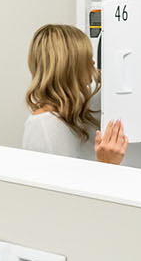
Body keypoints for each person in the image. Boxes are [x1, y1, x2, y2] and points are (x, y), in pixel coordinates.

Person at [22, 24, 128, 164]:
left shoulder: (75, 108)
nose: (93, 62)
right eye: (87, 57)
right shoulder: (42, 126)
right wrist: (106, 164)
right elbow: (52, 185)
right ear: (71, 67)